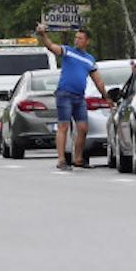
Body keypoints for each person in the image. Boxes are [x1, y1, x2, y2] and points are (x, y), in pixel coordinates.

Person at [35, 24, 111, 170]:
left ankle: (78, 159)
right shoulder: (68, 51)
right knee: (63, 126)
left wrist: (106, 96)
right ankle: (61, 160)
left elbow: (98, 80)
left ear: (87, 41)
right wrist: (43, 35)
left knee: (83, 127)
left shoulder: (90, 60)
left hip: (79, 97)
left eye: (80, 38)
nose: (77, 41)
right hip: (64, 94)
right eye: (76, 38)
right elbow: (52, 47)